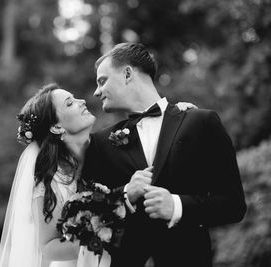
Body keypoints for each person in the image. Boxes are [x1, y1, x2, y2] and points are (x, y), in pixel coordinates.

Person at [82, 42, 247, 267]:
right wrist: (126, 194)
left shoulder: (200, 122)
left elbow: (233, 205)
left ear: (128, 73)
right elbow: (88, 215)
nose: (96, 91)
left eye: (103, 81)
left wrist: (177, 206)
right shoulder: (100, 143)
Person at [0, 83, 196, 267]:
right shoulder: (52, 180)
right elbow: (48, 248)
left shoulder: (113, 144)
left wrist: (176, 117)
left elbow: (153, 136)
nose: (81, 101)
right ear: (57, 127)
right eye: (70, 103)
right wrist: (98, 233)